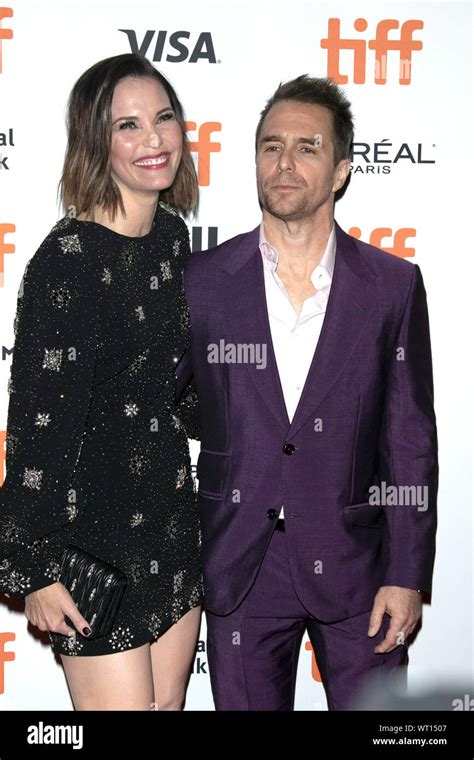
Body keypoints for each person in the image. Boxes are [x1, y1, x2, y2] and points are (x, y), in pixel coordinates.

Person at [178, 75, 438, 710]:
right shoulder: (202, 280)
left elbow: (408, 441)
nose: (284, 162)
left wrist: (406, 575)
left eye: (306, 147)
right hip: (239, 565)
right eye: (270, 147)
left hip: (359, 570)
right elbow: (163, 410)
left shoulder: (391, 286)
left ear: (342, 169)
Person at [0, 53, 203, 711]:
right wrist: (32, 568)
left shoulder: (174, 239)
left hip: (171, 524)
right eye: (129, 126)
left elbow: (179, 389)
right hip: (92, 541)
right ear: (97, 142)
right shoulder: (68, 265)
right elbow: (37, 430)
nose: (154, 139)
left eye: (164, 118)